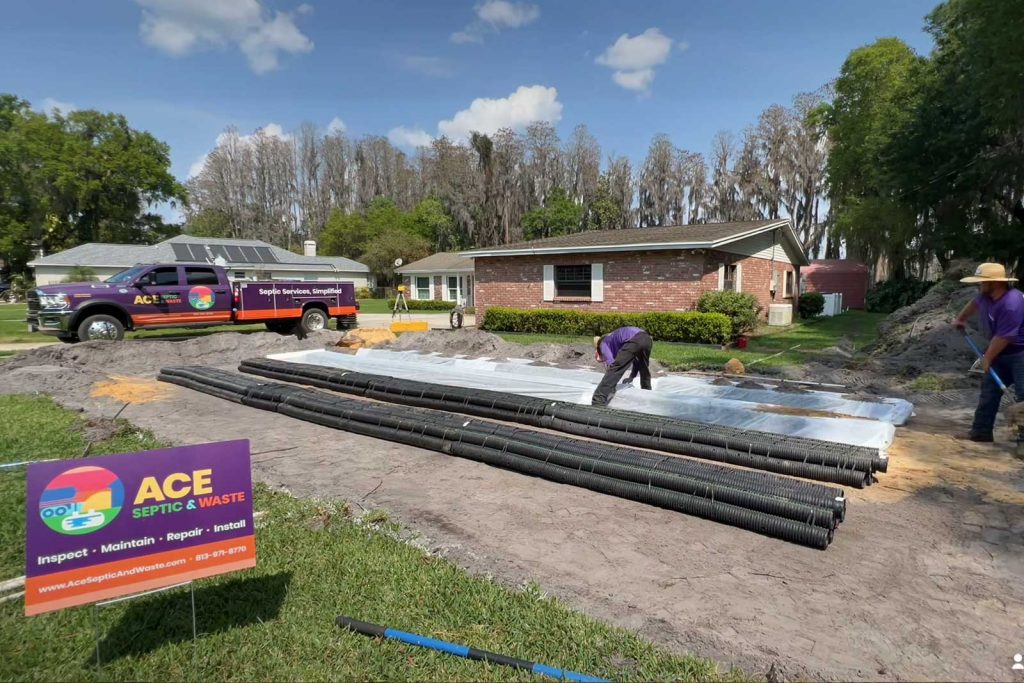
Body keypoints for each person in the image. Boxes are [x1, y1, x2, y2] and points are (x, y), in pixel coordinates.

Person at [952, 262, 1024, 456]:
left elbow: (1005, 336)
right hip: (1001, 352)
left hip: (1020, 353)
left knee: (1023, 399)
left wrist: (987, 358)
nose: (978, 285)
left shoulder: (1012, 303)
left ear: (996, 283)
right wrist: (961, 319)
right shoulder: (985, 296)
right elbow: (974, 304)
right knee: (989, 392)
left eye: (982, 282)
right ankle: (981, 432)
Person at [591, 326, 653, 406]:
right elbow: (636, 362)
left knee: (616, 368)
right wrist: (632, 377)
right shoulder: (613, 339)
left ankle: (598, 400)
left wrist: (611, 386)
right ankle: (648, 395)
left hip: (634, 338)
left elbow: (613, 366)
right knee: (643, 368)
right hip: (647, 339)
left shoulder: (603, 343)